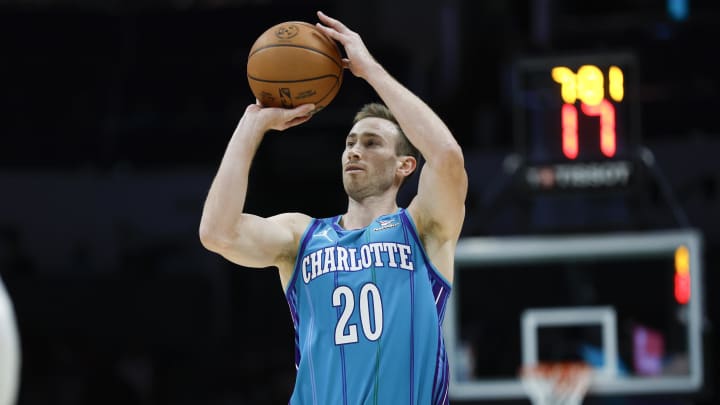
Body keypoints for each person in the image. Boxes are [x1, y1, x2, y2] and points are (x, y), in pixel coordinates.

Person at [199, 10, 467, 404]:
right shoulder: (302, 236)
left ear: (405, 165)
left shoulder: (423, 229)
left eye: (372, 143)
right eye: (350, 143)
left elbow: (446, 155)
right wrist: (252, 124)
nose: (354, 150)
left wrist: (370, 71)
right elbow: (216, 233)